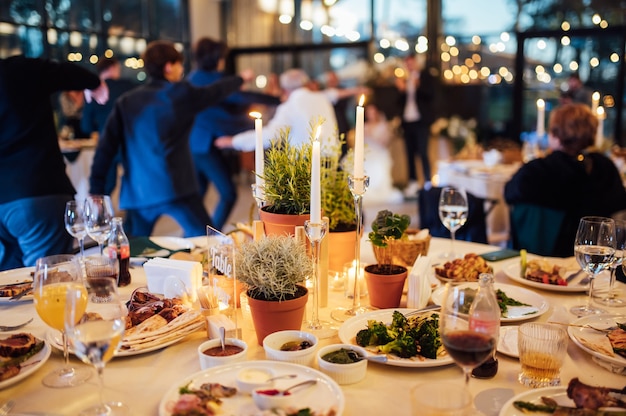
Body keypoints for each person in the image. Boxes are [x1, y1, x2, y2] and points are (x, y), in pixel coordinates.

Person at [89, 40, 245, 237]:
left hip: (139, 192)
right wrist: (239, 79)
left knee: (132, 253)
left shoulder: (126, 102)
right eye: (180, 64)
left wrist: (96, 187)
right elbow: (214, 93)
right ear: (169, 67)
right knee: (207, 242)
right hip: (176, 188)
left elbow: (106, 146)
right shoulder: (179, 93)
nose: (182, 69)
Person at [0, 55, 107, 271]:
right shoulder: (18, 69)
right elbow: (71, 74)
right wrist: (96, 84)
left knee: (10, 288)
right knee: (50, 282)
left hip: (7, 199)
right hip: (35, 193)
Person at [505, 103, 626, 256]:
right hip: (597, 254)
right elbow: (620, 204)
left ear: (555, 135)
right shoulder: (604, 166)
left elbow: (509, 192)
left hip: (546, 255)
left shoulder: (538, 170)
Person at [187, 37, 280, 230]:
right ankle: (210, 235)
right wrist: (278, 99)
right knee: (228, 193)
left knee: (199, 193)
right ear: (216, 58)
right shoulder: (212, 79)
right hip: (204, 145)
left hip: (194, 143)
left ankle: (195, 235)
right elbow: (241, 97)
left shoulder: (193, 78)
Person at [215, 68, 338, 152]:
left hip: (307, 162)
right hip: (331, 159)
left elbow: (270, 135)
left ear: (285, 90)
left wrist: (234, 141)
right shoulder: (322, 98)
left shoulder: (290, 106)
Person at [81, 56, 136, 195]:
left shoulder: (92, 91)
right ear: (113, 68)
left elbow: (86, 126)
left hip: (105, 142)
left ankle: (102, 214)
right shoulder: (128, 87)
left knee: (105, 184)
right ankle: (133, 214)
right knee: (133, 180)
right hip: (128, 141)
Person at [395, 54, 436, 198]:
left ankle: (427, 182)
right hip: (407, 122)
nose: (409, 66)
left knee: (423, 153)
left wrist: (418, 85)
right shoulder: (404, 79)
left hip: (421, 121)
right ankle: (412, 183)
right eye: (407, 64)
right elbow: (399, 102)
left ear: (416, 63)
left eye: (411, 63)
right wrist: (401, 90)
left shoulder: (425, 76)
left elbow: (430, 95)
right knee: (409, 154)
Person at [361, 104, 404, 206]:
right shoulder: (364, 126)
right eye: (368, 113)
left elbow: (385, 142)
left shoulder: (383, 125)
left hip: (379, 151)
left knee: (377, 164)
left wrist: (372, 136)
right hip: (367, 153)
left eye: (372, 112)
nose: (371, 115)